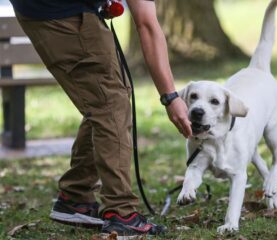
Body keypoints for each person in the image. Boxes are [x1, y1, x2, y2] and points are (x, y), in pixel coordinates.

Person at [9, 0, 192, 237]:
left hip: (57, 9)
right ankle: (121, 213)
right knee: (110, 104)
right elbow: (146, 24)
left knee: (109, 99)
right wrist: (170, 97)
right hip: (60, 12)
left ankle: (76, 196)